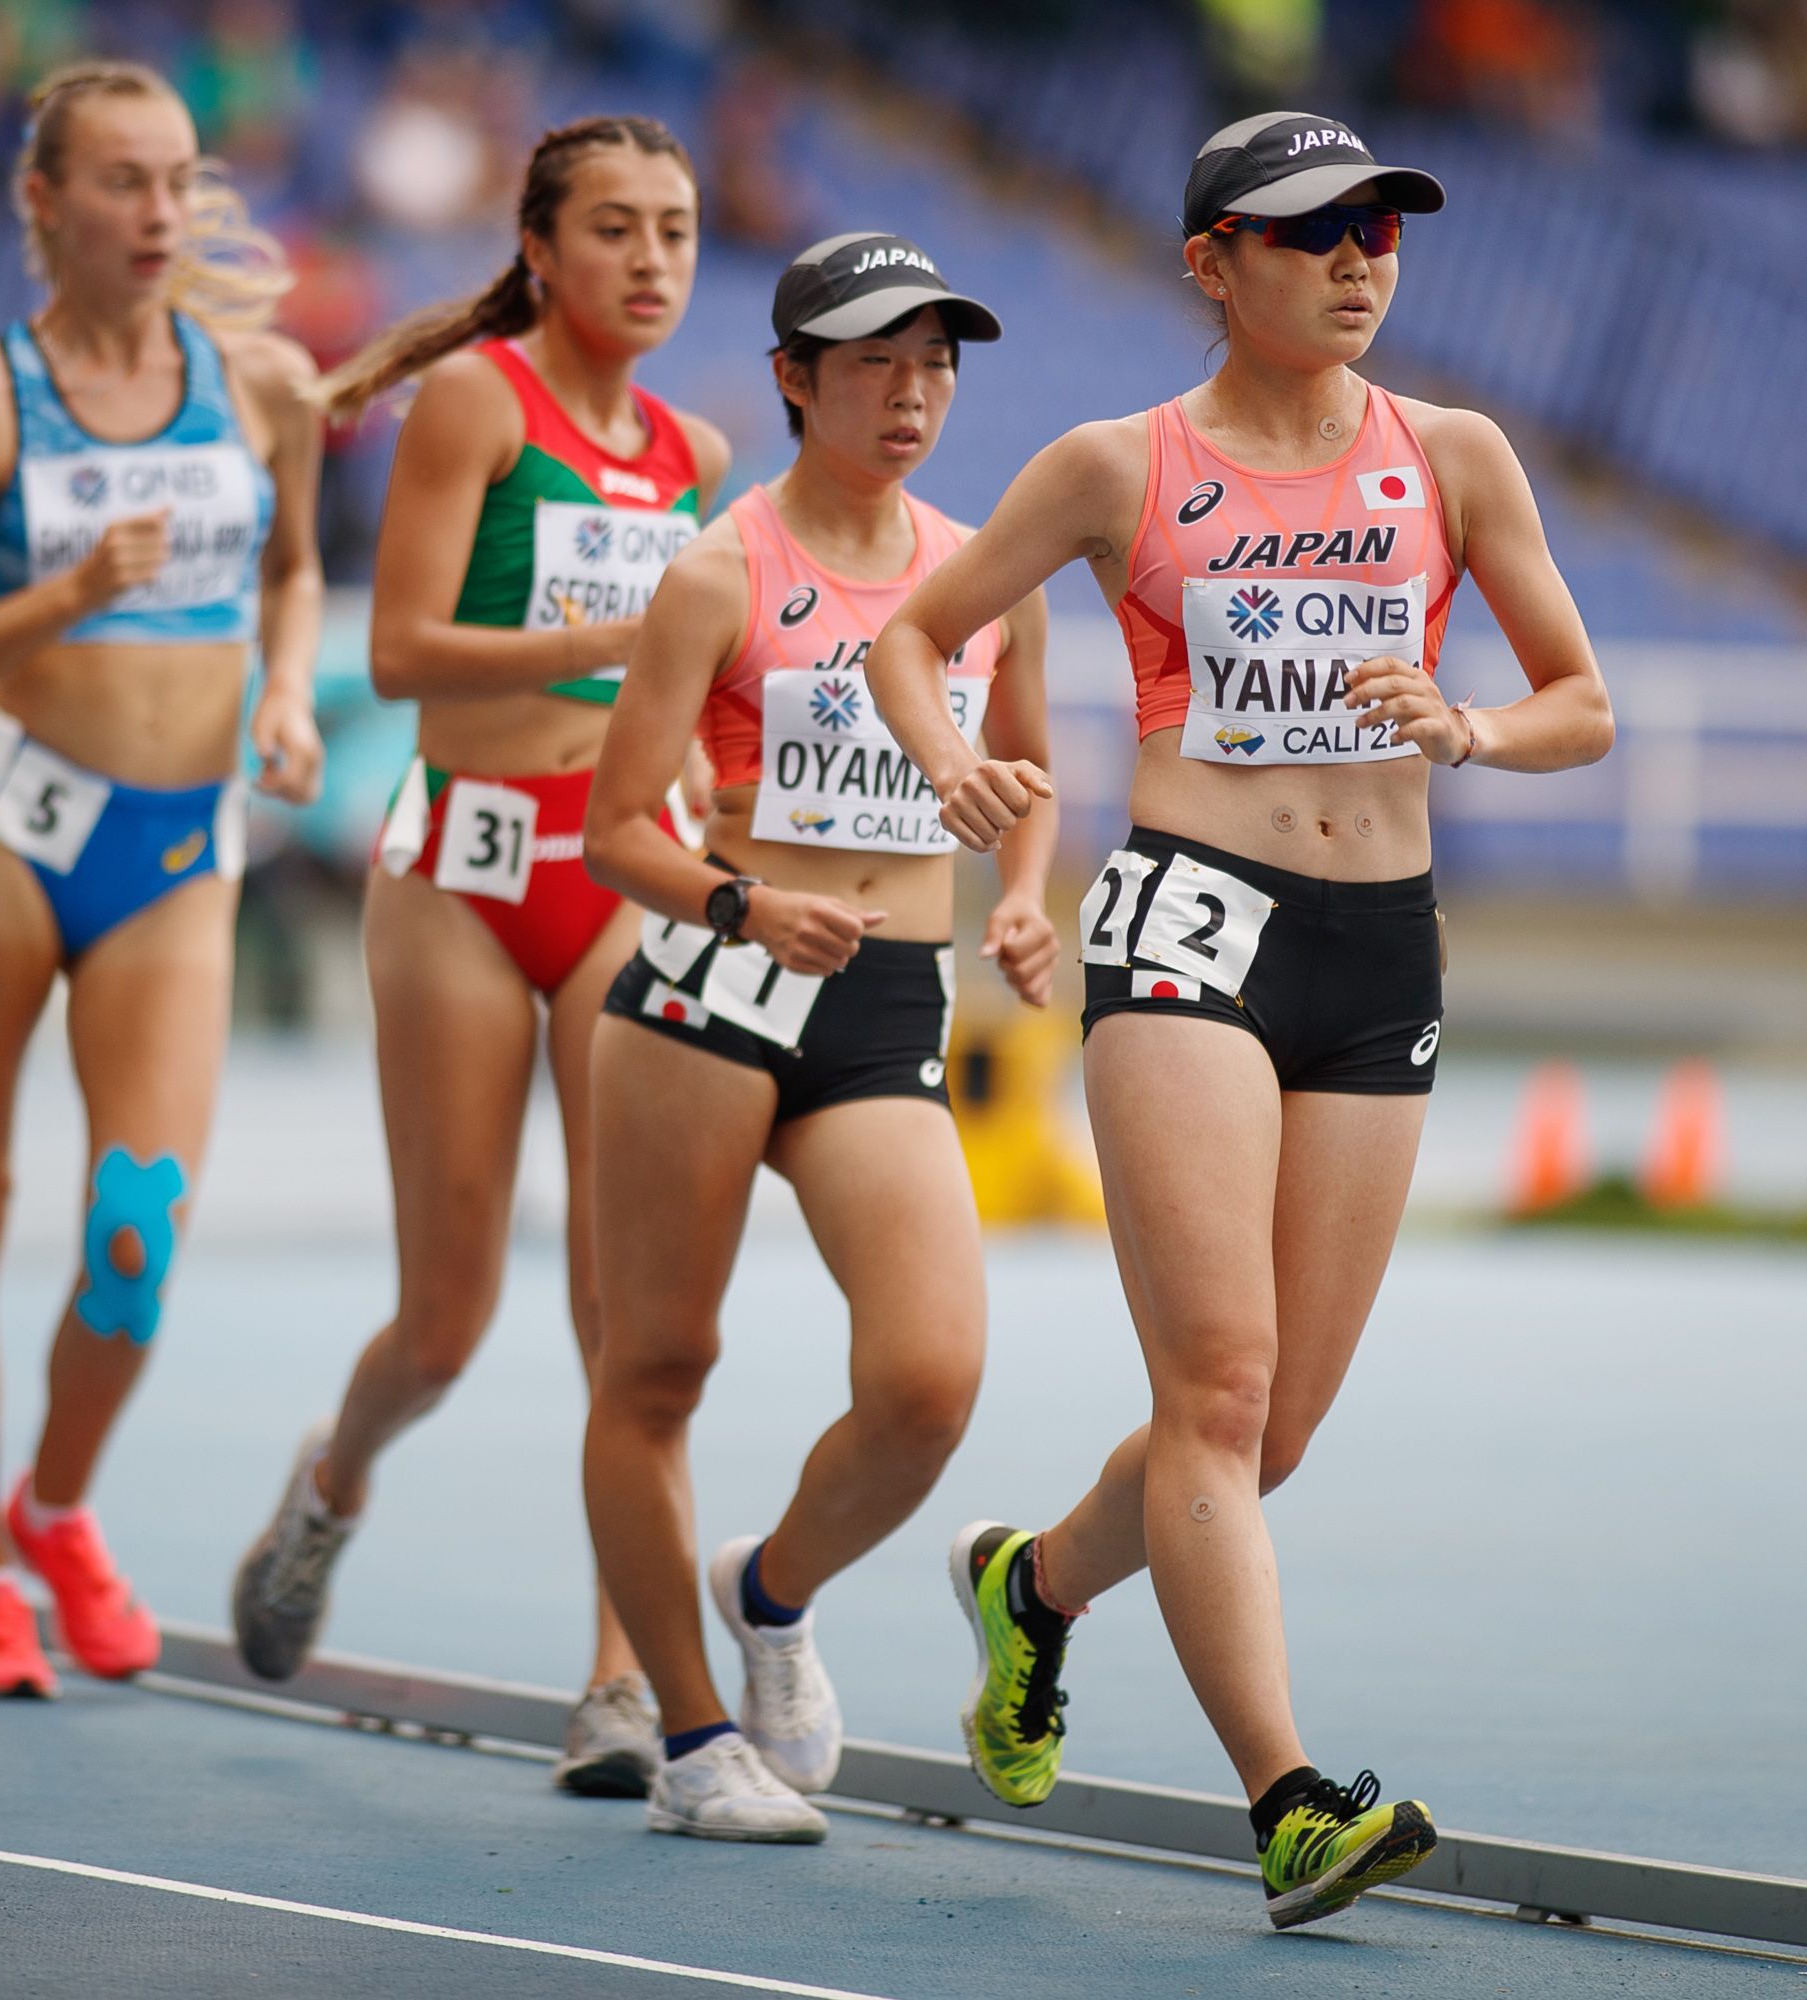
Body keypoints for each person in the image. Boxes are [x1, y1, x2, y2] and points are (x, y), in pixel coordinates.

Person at [866, 114, 1612, 1928]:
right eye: (1314, 233)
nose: (1363, 259)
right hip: (1195, 922)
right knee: (1217, 1388)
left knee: (1265, 1439)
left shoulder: (1457, 455)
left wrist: (1470, 726)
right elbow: (911, 629)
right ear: (1212, 263)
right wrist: (956, 763)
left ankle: (1033, 1591)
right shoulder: (1119, 466)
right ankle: (1290, 1803)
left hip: (1383, 953)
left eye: (1383, 230)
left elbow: (1579, 701)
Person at [226, 115, 729, 1801]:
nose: (651, 259)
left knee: (628, 1316)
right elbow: (404, 654)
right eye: (614, 229)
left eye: (674, 229)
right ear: (538, 244)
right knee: (444, 1321)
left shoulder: (697, 454)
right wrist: (610, 637)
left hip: (614, 876)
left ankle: (624, 1681)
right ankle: (330, 1484)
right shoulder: (476, 404)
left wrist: (703, 755)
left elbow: (697, 688)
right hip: (460, 871)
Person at [577, 232, 1050, 1842]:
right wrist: (736, 902)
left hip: (886, 1001)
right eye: (872, 361)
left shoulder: (987, 577)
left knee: (929, 1376)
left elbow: (1030, 783)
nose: (912, 392)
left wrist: (1028, 896)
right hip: (712, 991)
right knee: (657, 1368)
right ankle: (694, 1742)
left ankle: (771, 1590)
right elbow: (611, 829)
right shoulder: (722, 570)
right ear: (793, 376)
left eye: (936, 363)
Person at [0, 59, 326, 1697]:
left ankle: (54, 1501)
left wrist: (282, 690)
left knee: (138, 1224)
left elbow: (291, 571)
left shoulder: (262, 383)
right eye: (120, 183)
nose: (156, 214)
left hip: (172, 847)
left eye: (177, 181)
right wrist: (57, 597)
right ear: (44, 204)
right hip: (1, 830)